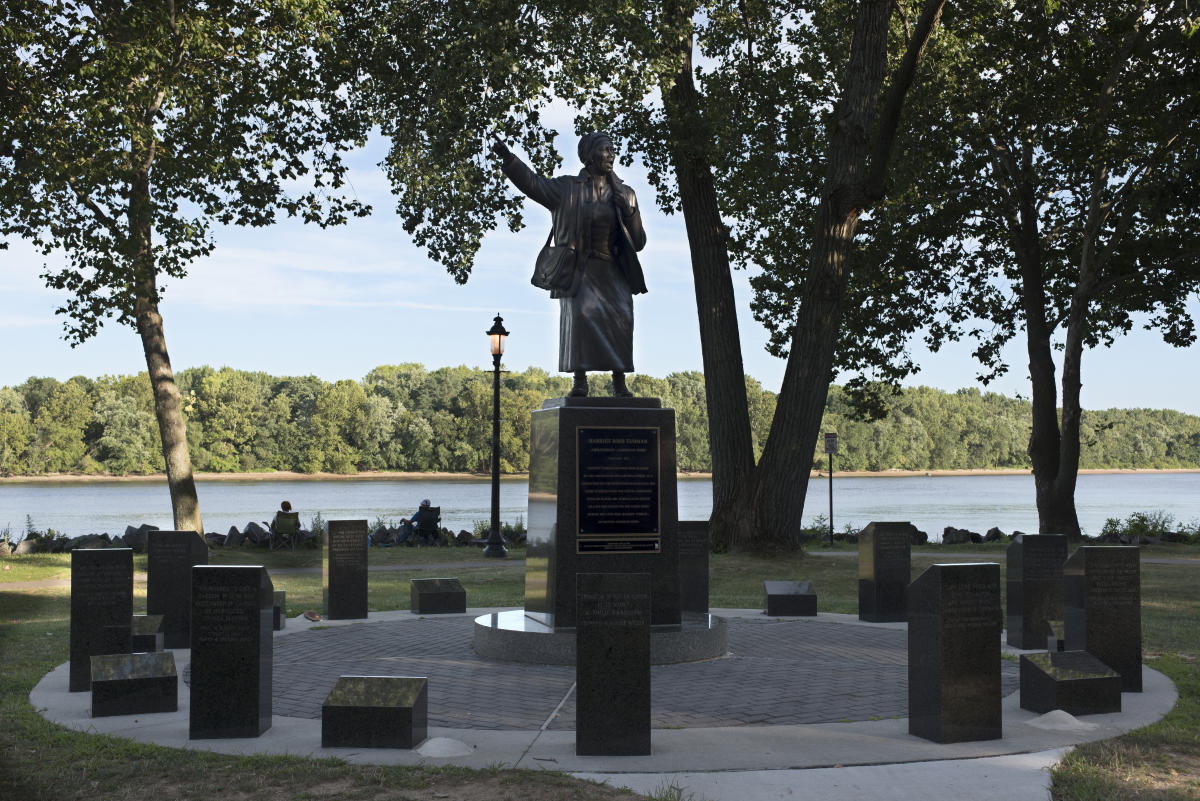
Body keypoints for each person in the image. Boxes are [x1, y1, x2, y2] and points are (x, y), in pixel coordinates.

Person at [491, 132, 647, 397]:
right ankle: (580, 380)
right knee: (582, 319)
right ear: (588, 156)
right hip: (582, 271)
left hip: (614, 272)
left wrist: (629, 211)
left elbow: (639, 242)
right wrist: (509, 160)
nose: (611, 155)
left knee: (622, 319)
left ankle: (619, 382)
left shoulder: (626, 193)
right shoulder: (568, 188)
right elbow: (534, 184)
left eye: (612, 150)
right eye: (605, 150)